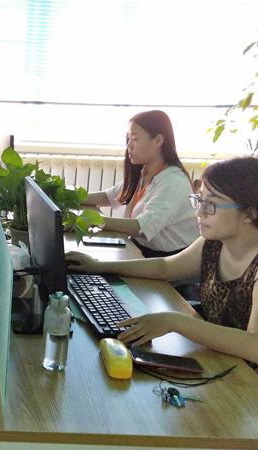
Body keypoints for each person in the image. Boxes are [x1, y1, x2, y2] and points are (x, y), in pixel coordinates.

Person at [65, 156, 258, 365]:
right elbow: (165, 267)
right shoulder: (214, 243)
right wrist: (99, 266)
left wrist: (175, 321)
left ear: (250, 213)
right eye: (199, 199)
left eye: (211, 204)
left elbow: (254, 345)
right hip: (219, 358)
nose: (199, 211)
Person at [83, 110, 199, 258]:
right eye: (128, 139)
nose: (129, 145)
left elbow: (143, 227)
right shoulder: (145, 171)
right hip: (139, 247)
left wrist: (94, 220)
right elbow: (111, 196)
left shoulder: (174, 182)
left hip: (166, 259)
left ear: (158, 141)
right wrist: (71, 197)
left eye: (135, 139)